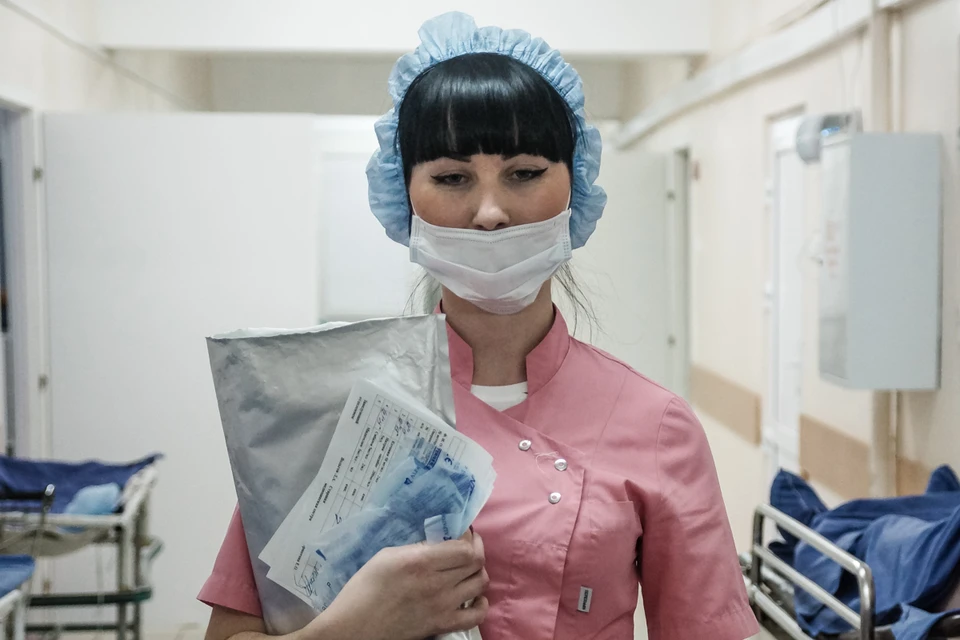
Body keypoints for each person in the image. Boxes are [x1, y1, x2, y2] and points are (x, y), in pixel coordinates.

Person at [200, 12, 758, 640]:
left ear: (573, 187)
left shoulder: (656, 426)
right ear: (404, 197)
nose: (490, 213)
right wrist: (355, 627)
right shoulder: (334, 413)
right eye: (451, 178)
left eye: (524, 173)